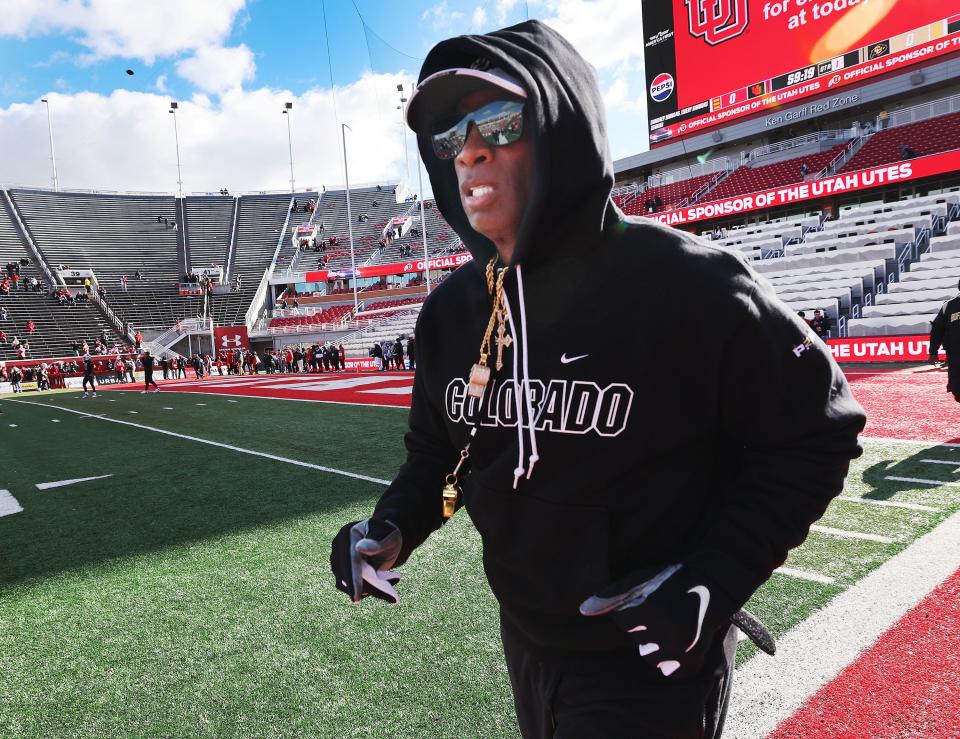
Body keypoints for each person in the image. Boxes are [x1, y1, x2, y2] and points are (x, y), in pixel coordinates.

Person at [329, 20, 866, 739]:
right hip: (526, 642)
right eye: (451, 136)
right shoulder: (450, 315)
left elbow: (818, 432)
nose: (472, 150)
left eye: (500, 120)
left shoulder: (688, 283)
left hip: (653, 655)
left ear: (563, 126)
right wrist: (390, 526)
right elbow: (438, 454)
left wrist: (713, 579)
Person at [929, 279, 960, 402]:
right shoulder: (949, 306)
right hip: (956, 358)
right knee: (957, 390)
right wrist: (933, 352)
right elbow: (937, 330)